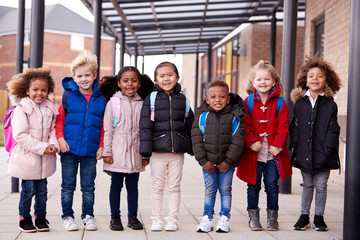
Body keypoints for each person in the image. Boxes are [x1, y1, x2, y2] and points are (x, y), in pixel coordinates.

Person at [236, 60, 292, 231]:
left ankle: (272, 218)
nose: (263, 82)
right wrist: (251, 141)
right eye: (259, 79)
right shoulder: (247, 102)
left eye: (267, 79)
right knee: (253, 186)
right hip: (254, 152)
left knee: (272, 185)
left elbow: (283, 126)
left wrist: (278, 145)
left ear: (274, 82)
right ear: (253, 82)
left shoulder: (280, 102)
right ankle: (253, 218)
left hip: (272, 152)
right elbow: (244, 125)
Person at [139, 61, 194, 231]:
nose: (166, 79)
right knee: (157, 186)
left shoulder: (183, 99)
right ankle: (156, 218)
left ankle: (173, 219)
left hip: (177, 152)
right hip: (157, 151)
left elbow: (190, 124)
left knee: (175, 186)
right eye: (162, 76)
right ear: (156, 80)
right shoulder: (152, 98)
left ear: (177, 77)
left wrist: (191, 147)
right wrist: (145, 153)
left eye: (170, 75)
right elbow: (145, 125)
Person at [98, 66, 154, 231]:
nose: (130, 84)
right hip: (117, 151)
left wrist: (145, 154)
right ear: (119, 83)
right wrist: (107, 152)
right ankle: (115, 217)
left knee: (133, 186)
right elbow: (108, 130)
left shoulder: (143, 103)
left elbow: (145, 131)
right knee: (115, 185)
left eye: (134, 80)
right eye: (126, 80)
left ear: (139, 83)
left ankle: (132, 216)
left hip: (135, 152)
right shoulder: (113, 103)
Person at [55, 50, 106, 231]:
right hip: (69, 149)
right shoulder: (68, 96)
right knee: (68, 186)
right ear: (74, 78)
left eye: (87, 75)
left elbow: (103, 125)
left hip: (90, 150)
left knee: (88, 186)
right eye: (79, 76)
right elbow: (59, 120)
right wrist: (60, 139)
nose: (83, 79)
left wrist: (101, 145)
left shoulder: (101, 99)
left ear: (94, 76)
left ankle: (88, 215)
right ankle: (68, 216)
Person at [290, 57, 341, 231]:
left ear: (327, 80)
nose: (315, 78)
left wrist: (328, 148)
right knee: (307, 185)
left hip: (324, 153)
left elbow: (333, 128)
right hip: (305, 152)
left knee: (321, 186)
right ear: (305, 80)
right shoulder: (300, 104)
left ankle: (319, 217)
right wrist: (294, 146)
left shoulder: (330, 104)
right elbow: (295, 126)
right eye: (311, 75)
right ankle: (304, 216)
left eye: (319, 76)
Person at [6, 67, 59, 233]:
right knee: (27, 191)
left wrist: (53, 145)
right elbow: (20, 136)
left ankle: (41, 217)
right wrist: (43, 147)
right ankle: (25, 218)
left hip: (45, 159)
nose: (40, 93)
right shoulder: (22, 110)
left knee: (42, 191)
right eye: (35, 89)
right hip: (28, 159)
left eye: (44, 90)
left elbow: (52, 130)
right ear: (27, 91)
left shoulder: (49, 108)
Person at [191, 80, 245, 233]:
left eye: (222, 97)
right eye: (213, 97)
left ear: (228, 99)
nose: (217, 100)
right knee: (209, 189)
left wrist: (228, 161)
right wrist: (203, 161)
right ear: (207, 100)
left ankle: (224, 218)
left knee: (225, 189)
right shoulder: (202, 117)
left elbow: (238, 141)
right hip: (207, 163)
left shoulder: (235, 117)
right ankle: (207, 218)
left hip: (227, 164)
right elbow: (196, 139)